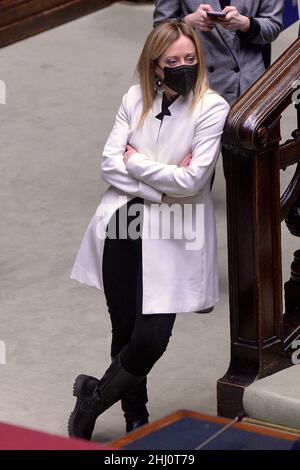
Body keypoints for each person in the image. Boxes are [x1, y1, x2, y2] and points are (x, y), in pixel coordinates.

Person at [68, 20, 230, 441]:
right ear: (155, 66)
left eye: (190, 59)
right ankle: (134, 418)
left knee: (150, 338)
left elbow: (193, 181)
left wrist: (136, 164)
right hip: (124, 222)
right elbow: (108, 162)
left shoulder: (211, 107)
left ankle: (92, 397)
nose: (183, 66)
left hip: (175, 233)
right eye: (173, 61)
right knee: (123, 330)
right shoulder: (134, 98)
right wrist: (160, 182)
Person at [153, 1, 284, 104]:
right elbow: (160, 27)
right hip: (197, 78)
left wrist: (246, 24)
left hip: (246, 86)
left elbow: (274, 25)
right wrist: (188, 22)